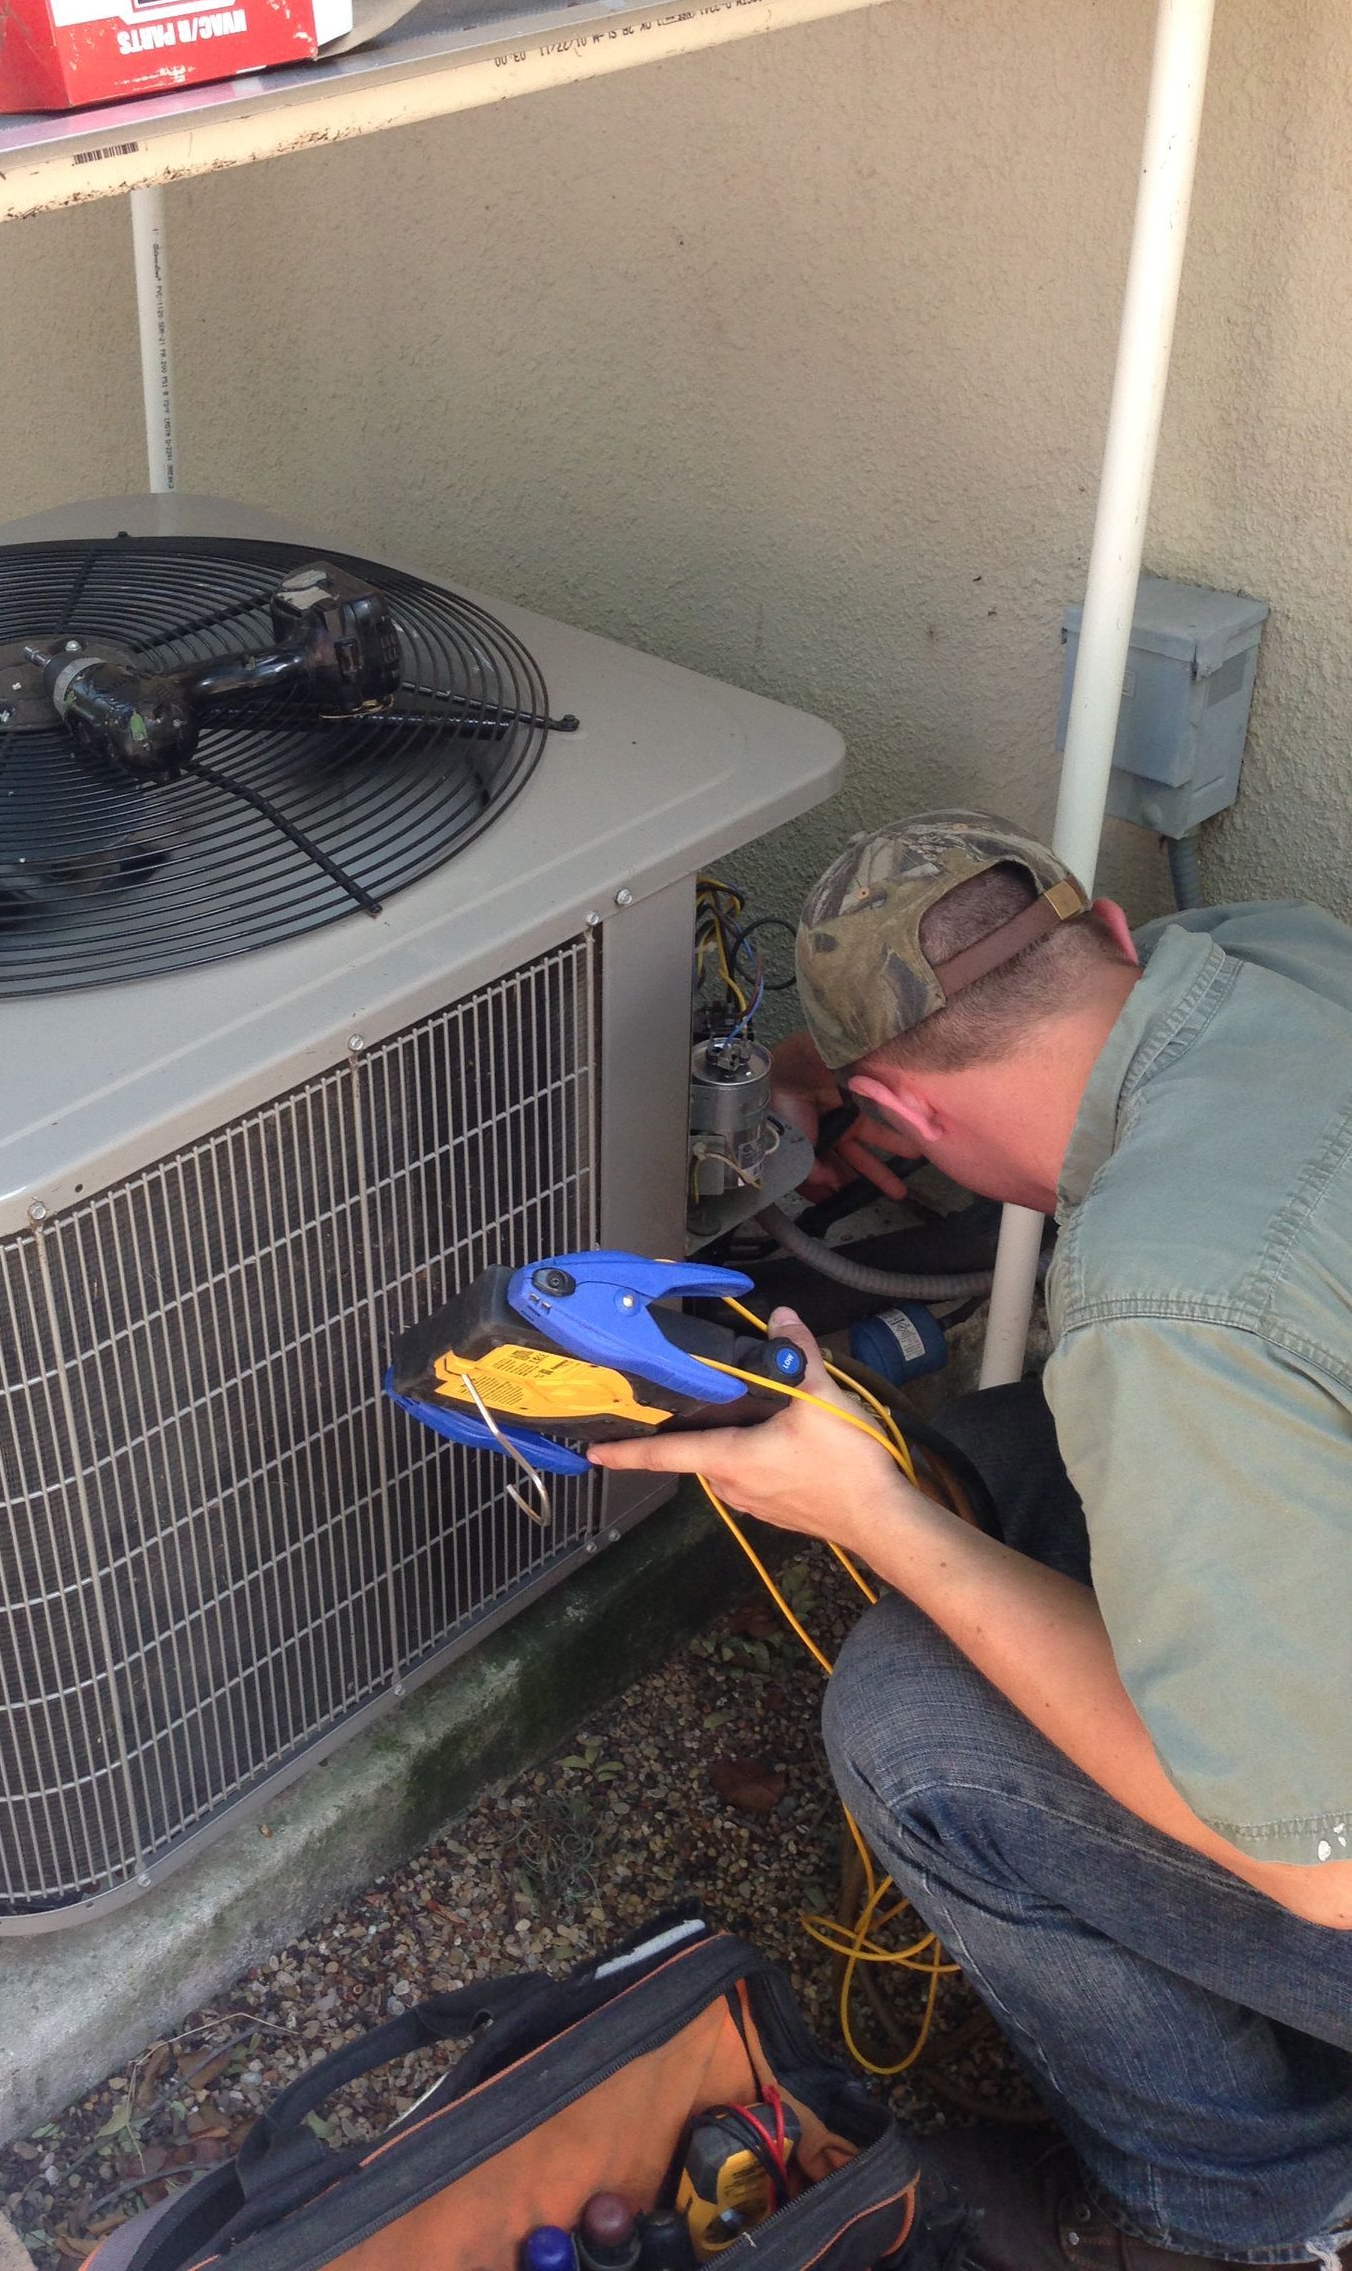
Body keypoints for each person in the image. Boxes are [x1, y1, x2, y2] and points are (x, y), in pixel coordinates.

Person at [588, 811, 1352, 2271]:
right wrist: (814, 1083)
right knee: (1006, 1459)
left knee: (912, 1720)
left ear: (911, 1115)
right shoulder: (1272, 960)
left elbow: (1328, 1869)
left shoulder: (1166, 1307)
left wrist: (866, 1517)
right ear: (1115, 938)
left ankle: (1247, 2204)